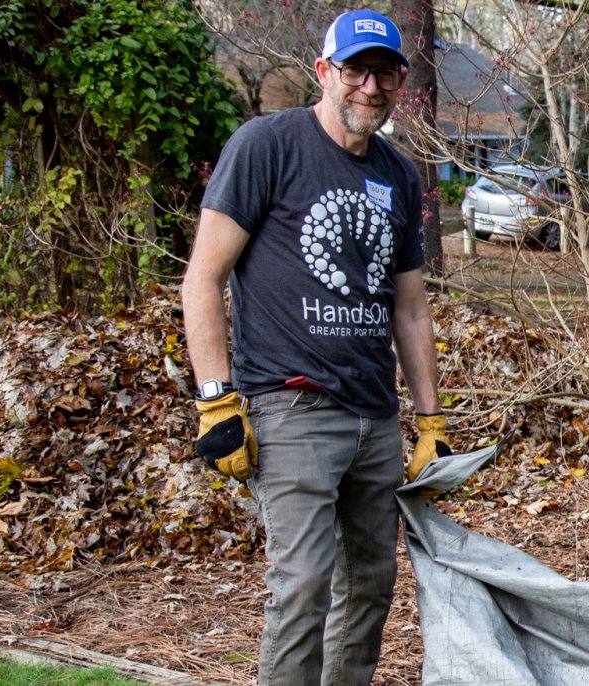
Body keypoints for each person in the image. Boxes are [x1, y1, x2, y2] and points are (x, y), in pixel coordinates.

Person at [181, 9, 453, 684]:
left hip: (375, 417)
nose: (370, 86)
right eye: (356, 70)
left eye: (385, 73)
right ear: (324, 72)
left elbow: (411, 309)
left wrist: (430, 420)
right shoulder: (267, 146)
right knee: (302, 585)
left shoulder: (396, 173)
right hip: (292, 407)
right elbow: (203, 279)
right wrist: (217, 401)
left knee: (369, 586)